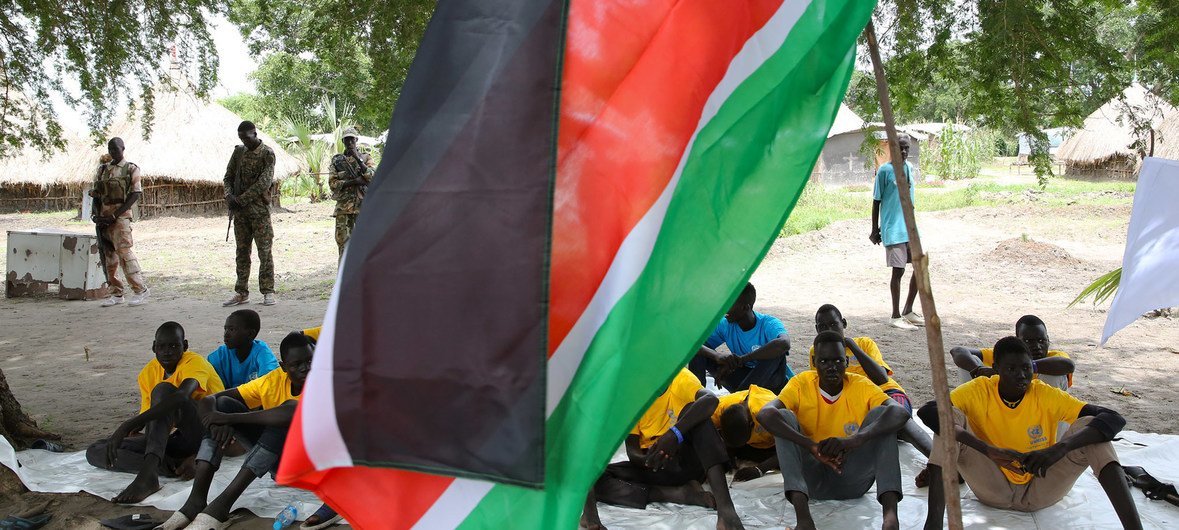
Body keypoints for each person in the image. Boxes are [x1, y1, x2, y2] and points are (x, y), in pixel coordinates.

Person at [918, 336, 1140, 530]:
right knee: (946, 422)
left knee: (1092, 428)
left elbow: (1113, 418)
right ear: (996, 369)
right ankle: (933, 525)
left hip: (1041, 486)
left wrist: (1059, 448)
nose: (1021, 376)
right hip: (993, 487)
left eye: (1026, 368)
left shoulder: (1043, 393)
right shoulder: (980, 389)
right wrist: (988, 450)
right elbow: (928, 411)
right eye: (1011, 369)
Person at [156, 332, 313, 530]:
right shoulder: (273, 380)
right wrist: (217, 423)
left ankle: (222, 505)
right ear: (283, 367)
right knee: (222, 403)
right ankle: (196, 500)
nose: (306, 368)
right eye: (296, 364)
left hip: (310, 466)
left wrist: (230, 419)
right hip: (281, 464)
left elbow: (292, 413)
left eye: (310, 360)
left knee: (282, 419)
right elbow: (209, 400)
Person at [758, 331, 908, 530]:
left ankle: (890, 519)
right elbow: (765, 414)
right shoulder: (801, 383)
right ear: (814, 362)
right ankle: (804, 520)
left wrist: (855, 440)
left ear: (846, 362)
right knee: (783, 417)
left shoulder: (860, 384)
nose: (832, 367)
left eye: (838, 361)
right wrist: (810, 446)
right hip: (810, 480)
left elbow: (900, 412)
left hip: (852, 477)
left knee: (884, 416)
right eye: (824, 361)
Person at [581, 368, 744, 530]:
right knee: (597, 480)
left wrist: (675, 434)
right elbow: (632, 450)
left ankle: (725, 509)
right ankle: (675, 494)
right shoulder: (631, 398)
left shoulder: (679, 378)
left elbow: (711, 400)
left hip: (690, 459)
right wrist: (648, 458)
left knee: (697, 414)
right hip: (658, 466)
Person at [86, 322, 224, 503]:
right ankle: (167, 467)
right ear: (154, 348)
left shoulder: (194, 362)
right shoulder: (148, 373)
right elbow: (151, 423)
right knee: (97, 451)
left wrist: (128, 424)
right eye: (162, 347)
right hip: (176, 440)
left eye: (174, 346)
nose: (168, 352)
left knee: (164, 391)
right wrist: (128, 435)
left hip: (207, 434)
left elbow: (182, 396)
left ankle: (147, 475)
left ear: (185, 346)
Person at [809, 305, 933, 463]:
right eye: (823, 327)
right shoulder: (816, 351)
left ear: (844, 323)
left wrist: (851, 345)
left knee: (896, 416)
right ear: (816, 329)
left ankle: (939, 461)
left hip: (885, 393)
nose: (829, 330)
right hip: (854, 404)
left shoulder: (864, 343)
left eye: (834, 324)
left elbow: (882, 378)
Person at [689, 283, 792, 393]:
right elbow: (695, 345)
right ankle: (696, 395)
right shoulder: (725, 325)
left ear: (745, 307)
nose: (724, 308)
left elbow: (784, 343)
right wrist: (717, 355)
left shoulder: (769, 323)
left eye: (729, 304)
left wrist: (743, 359)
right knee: (699, 350)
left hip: (771, 382)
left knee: (777, 351)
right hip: (743, 380)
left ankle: (742, 401)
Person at [223, 121, 278, 307]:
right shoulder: (238, 152)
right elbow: (228, 177)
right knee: (242, 252)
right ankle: (241, 292)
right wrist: (229, 195)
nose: (244, 141)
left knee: (264, 252)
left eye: (246, 137)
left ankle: (268, 291)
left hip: (259, 212)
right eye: (241, 138)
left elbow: (264, 183)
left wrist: (241, 199)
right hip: (240, 214)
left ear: (255, 133)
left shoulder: (267, 154)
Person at [90, 137, 149, 307]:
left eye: (116, 149)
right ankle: (116, 293)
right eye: (110, 149)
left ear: (123, 148)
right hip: (103, 220)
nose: (113, 152)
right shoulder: (102, 170)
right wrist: (96, 215)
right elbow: (96, 195)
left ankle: (140, 290)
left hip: (120, 219)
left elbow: (135, 194)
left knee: (124, 254)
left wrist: (115, 215)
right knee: (108, 258)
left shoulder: (130, 169)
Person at [870, 135, 920, 330]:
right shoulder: (884, 171)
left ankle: (908, 310)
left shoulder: (909, 169)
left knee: (920, 266)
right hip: (893, 228)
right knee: (898, 271)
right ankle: (895, 315)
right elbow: (876, 201)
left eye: (907, 148)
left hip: (910, 228)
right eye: (900, 148)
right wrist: (875, 229)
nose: (904, 152)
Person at [950, 315, 1074, 390]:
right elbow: (958, 351)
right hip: (1003, 413)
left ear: (1048, 340)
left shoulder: (1056, 357)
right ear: (1017, 340)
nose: (1037, 346)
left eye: (1042, 340)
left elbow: (1068, 365)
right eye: (1028, 341)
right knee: (968, 364)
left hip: (1043, 419)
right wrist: (977, 370)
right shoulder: (1009, 355)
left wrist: (1025, 368)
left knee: (1053, 374)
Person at [712, 384, 780, 482]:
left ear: (752, 425)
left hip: (778, 441)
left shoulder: (769, 416)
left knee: (792, 460)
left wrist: (760, 469)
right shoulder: (720, 408)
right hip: (751, 443)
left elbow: (790, 447)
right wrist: (728, 454)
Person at [329, 128, 375, 257]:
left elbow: (373, 177)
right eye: (347, 139)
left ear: (356, 140)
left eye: (352, 139)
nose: (349, 142)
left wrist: (358, 159)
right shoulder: (337, 160)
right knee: (343, 246)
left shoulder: (366, 158)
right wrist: (355, 181)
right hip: (343, 209)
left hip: (363, 208)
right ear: (343, 141)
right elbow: (333, 184)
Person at [206, 309, 278, 389]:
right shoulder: (219, 356)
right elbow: (214, 388)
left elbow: (268, 384)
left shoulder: (263, 353)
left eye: (232, 329)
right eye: (225, 329)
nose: (226, 335)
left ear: (250, 334)